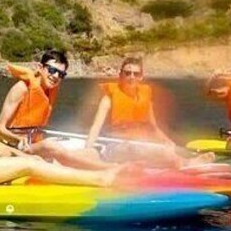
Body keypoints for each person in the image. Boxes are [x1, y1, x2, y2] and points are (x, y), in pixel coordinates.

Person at [0, 46, 117, 190]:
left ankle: (99, 172)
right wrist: (6, 155)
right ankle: (101, 180)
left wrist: (24, 155)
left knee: (31, 161)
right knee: (29, 165)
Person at [0, 50, 114, 171]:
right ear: (40, 67)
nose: (55, 76)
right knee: (49, 145)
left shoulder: (49, 91)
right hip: (16, 147)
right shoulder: (21, 88)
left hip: (35, 145)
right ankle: (108, 169)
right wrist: (19, 140)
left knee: (91, 152)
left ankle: (102, 168)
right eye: (52, 70)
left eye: (61, 74)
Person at [83, 57, 214, 167]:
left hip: (140, 142)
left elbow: (153, 127)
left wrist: (168, 142)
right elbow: (95, 127)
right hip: (116, 145)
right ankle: (186, 164)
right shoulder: (108, 99)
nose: (131, 77)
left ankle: (172, 160)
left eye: (136, 74)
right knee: (142, 149)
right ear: (120, 75)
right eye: (127, 73)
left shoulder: (145, 97)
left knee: (164, 148)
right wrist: (87, 150)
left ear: (141, 77)